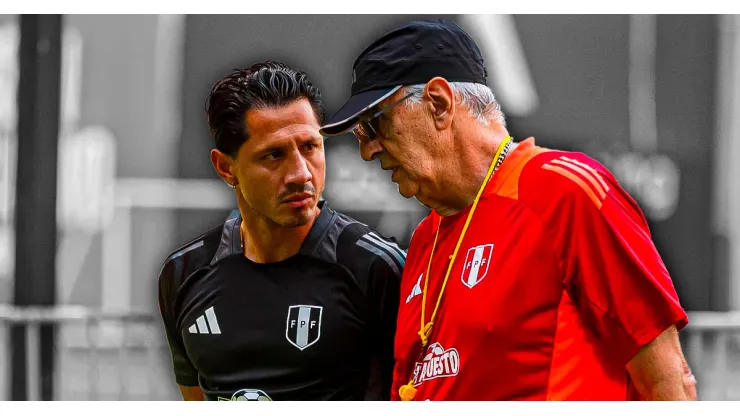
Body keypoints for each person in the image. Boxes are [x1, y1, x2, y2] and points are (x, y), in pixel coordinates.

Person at [320, 20, 696, 401]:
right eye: (361, 136)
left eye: (374, 125)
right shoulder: (424, 239)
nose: (368, 150)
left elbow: (667, 381)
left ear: (439, 103)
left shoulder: (564, 191)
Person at [157, 61, 404, 401]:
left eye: (310, 147)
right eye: (274, 155)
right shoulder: (184, 273)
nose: (301, 174)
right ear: (226, 168)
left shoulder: (377, 267)